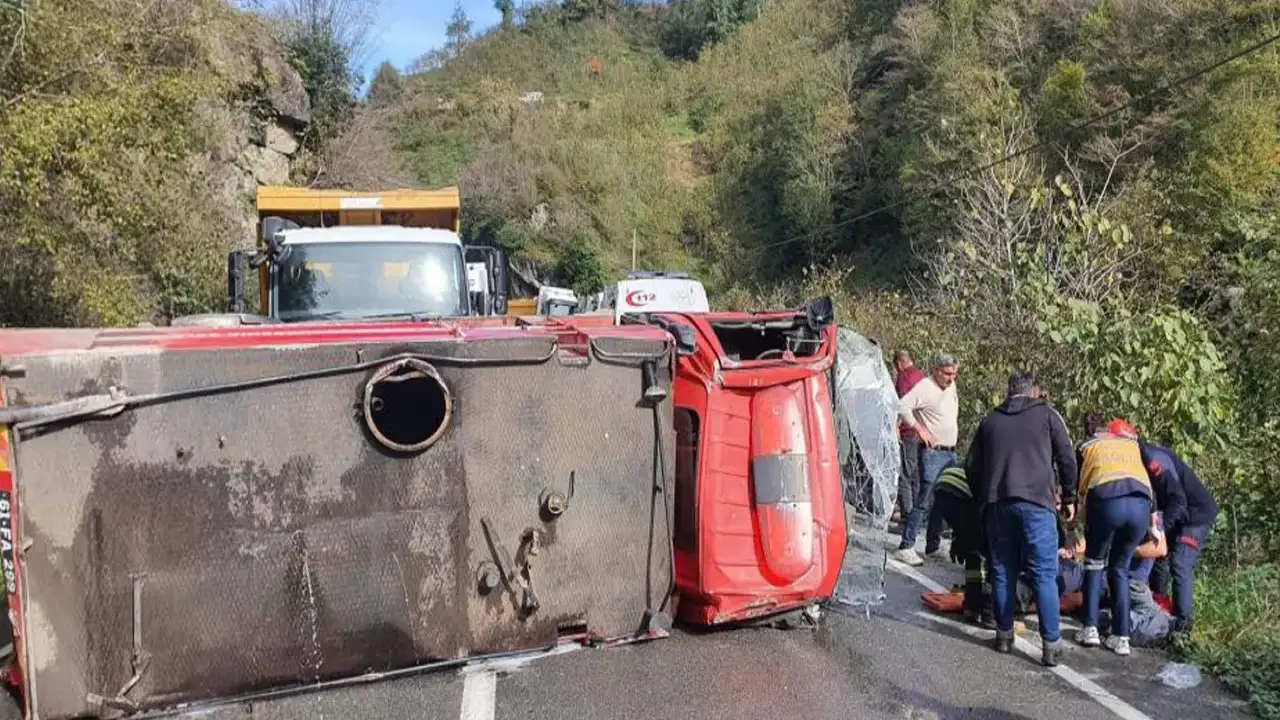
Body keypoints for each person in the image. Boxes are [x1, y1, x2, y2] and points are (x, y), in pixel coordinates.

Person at [967, 370, 1077, 666]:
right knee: (1043, 574)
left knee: (1002, 570)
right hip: (1036, 503)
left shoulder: (990, 421)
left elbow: (971, 464)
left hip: (997, 503)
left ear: (1008, 391)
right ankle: (1051, 645)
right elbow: (1067, 457)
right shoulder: (1047, 416)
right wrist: (1069, 497)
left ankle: (1003, 635)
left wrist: (984, 497)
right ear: (1032, 392)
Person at [1072, 415, 1154, 656]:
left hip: (1108, 499)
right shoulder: (1131, 444)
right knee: (1121, 568)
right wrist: (1154, 525)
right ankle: (1121, 637)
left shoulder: (1087, 446)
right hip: (1141, 503)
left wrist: (1073, 525)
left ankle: (1089, 628)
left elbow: (1078, 488)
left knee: (1095, 563)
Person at [1140, 439, 1218, 634]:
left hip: (1195, 515)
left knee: (1180, 563)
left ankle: (1184, 628)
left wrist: (1160, 530)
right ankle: (1161, 608)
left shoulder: (1154, 459)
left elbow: (1179, 501)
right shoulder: (1137, 459)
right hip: (1173, 512)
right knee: (1157, 555)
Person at [893, 354, 960, 566]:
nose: (951, 378)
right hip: (933, 452)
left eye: (954, 373)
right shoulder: (925, 387)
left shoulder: (950, 386)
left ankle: (932, 544)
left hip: (950, 452)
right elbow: (902, 406)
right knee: (924, 499)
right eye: (947, 373)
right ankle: (907, 545)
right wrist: (919, 428)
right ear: (937, 370)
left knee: (944, 499)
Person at [929, 463, 989, 623]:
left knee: (969, 544)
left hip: (943, 485)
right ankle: (977, 605)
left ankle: (971, 605)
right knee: (977, 549)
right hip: (959, 491)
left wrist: (959, 539)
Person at [894, 350, 928, 523]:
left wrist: (895, 426)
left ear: (899, 364)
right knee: (917, 474)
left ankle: (908, 515)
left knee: (905, 474)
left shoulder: (903, 377)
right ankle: (918, 514)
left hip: (908, 431)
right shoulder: (923, 377)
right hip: (925, 431)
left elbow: (901, 405)